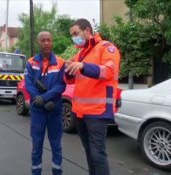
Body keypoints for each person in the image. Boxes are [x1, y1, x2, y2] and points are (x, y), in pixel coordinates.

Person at [64, 18, 121, 175]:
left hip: (98, 112)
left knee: (98, 154)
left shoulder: (106, 47)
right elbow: (70, 79)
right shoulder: (80, 54)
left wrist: (83, 66)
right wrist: (67, 70)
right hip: (79, 112)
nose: (73, 37)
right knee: (89, 152)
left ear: (87, 31)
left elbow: (109, 71)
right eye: (72, 35)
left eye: (76, 33)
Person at [25, 31, 66, 175]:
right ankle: (36, 172)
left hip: (54, 110)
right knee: (37, 145)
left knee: (56, 145)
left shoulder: (61, 63)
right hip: (38, 111)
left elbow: (61, 85)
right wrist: (40, 101)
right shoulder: (31, 63)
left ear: (52, 42)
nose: (46, 43)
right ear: (38, 43)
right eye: (43, 40)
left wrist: (46, 97)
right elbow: (28, 84)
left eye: (49, 40)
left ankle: (57, 172)